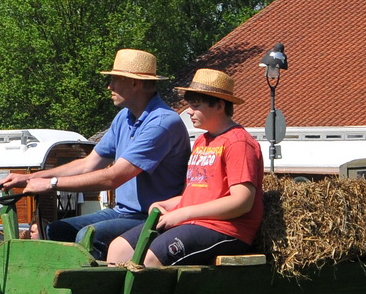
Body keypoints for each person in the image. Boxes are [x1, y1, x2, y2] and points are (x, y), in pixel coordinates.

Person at [0, 48, 191, 258]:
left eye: (115, 80)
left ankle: (88, 289)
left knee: (89, 235)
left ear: (135, 83)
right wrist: (29, 177)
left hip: (151, 216)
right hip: (123, 213)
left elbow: (113, 178)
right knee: (56, 230)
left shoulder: (162, 123)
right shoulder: (124, 118)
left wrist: (51, 184)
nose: (109, 86)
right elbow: (88, 164)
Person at [107, 69, 264, 269]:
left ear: (219, 105)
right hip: (193, 222)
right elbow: (197, 195)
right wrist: (167, 205)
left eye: (195, 106)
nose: (189, 111)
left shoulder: (238, 143)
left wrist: (183, 214)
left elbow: (242, 201)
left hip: (228, 230)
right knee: (119, 248)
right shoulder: (201, 141)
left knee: (152, 258)